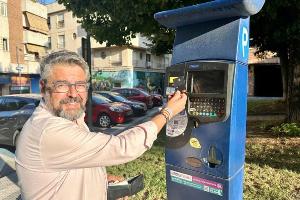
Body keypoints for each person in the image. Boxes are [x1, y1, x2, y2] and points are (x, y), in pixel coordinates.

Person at [15, 50, 187, 200]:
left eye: (80, 85)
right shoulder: (48, 131)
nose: (73, 94)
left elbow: (74, 165)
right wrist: (167, 112)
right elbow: (122, 147)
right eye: (62, 85)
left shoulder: (68, 119)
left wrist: (101, 180)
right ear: (43, 88)